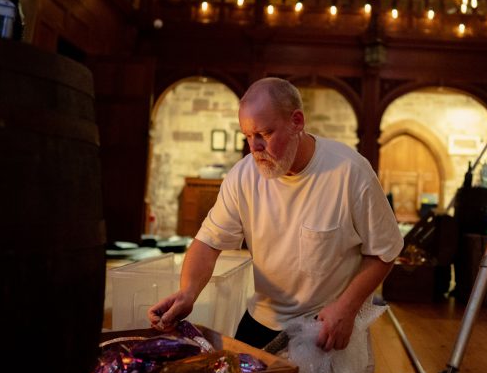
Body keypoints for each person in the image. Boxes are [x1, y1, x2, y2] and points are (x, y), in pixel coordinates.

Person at [148, 77, 403, 353]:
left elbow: (385, 250)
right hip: (264, 316)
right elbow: (208, 243)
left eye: (265, 134)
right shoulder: (242, 177)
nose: (254, 148)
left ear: (297, 121)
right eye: (247, 136)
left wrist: (346, 307)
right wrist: (187, 293)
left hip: (324, 322)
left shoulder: (350, 172)